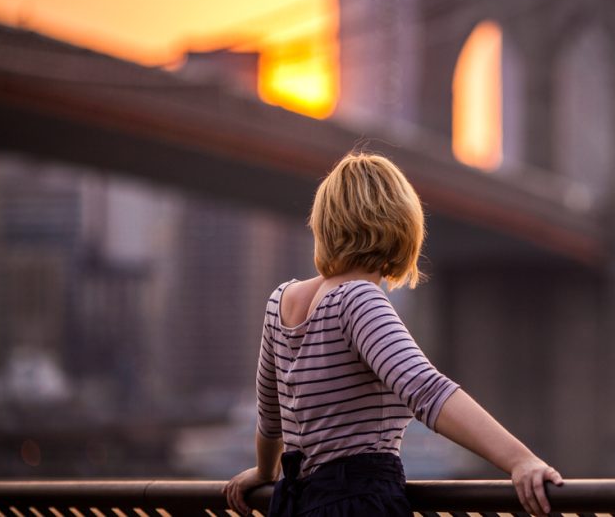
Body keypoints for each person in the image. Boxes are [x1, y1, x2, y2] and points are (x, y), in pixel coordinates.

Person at [223, 152, 563, 516]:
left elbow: (271, 418)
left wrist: (264, 473)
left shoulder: (281, 301)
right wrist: (520, 460)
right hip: (358, 502)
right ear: (400, 225)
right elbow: (425, 390)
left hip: (294, 503)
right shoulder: (357, 298)